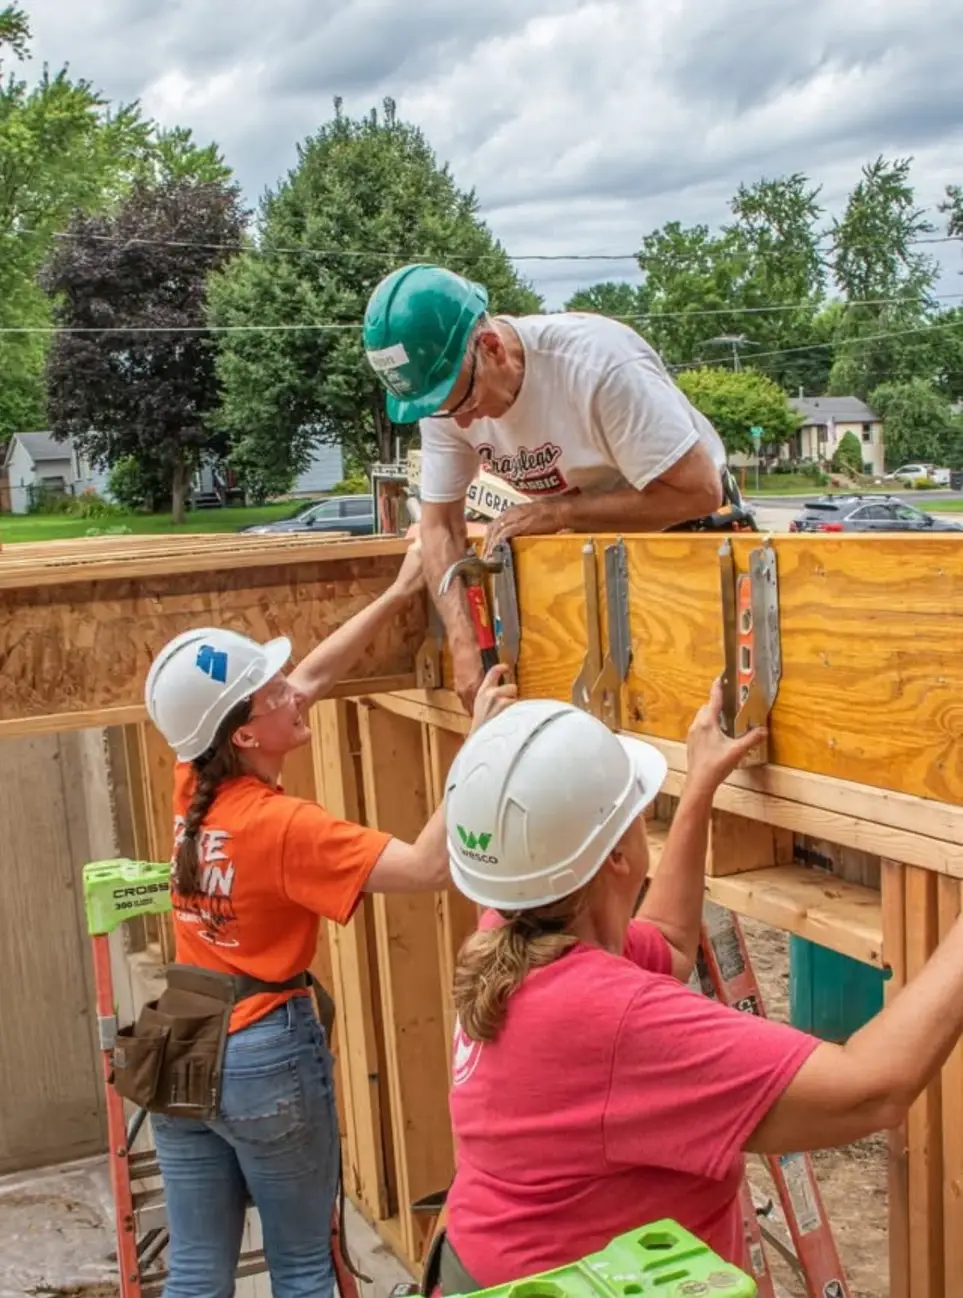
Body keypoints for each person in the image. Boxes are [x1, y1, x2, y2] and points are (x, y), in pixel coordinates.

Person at [431, 681, 963, 1293]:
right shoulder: (610, 1017)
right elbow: (873, 1090)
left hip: (489, 1266)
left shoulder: (511, 930)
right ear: (618, 859)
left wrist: (700, 784)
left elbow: (670, 944)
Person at [142, 540, 516, 1298]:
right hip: (260, 1053)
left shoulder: (197, 777)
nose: (291, 689)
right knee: (306, 1266)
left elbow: (309, 679)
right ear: (245, 734)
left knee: (196, 1270)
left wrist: (398, 590)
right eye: (270, 691)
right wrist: (480, 738)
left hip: (182, 1032)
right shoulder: (281, 827)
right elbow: (424, 866)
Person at [363, 262, 753, 710]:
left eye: (466, 402)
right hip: (595, 558)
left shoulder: (598, 367)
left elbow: (699, 491)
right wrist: (463, 639)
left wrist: (559, 513)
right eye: (446, 412)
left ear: (492, 348)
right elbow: (439, 528)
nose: (465, 422)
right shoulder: (445, 401)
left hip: (691, 537)